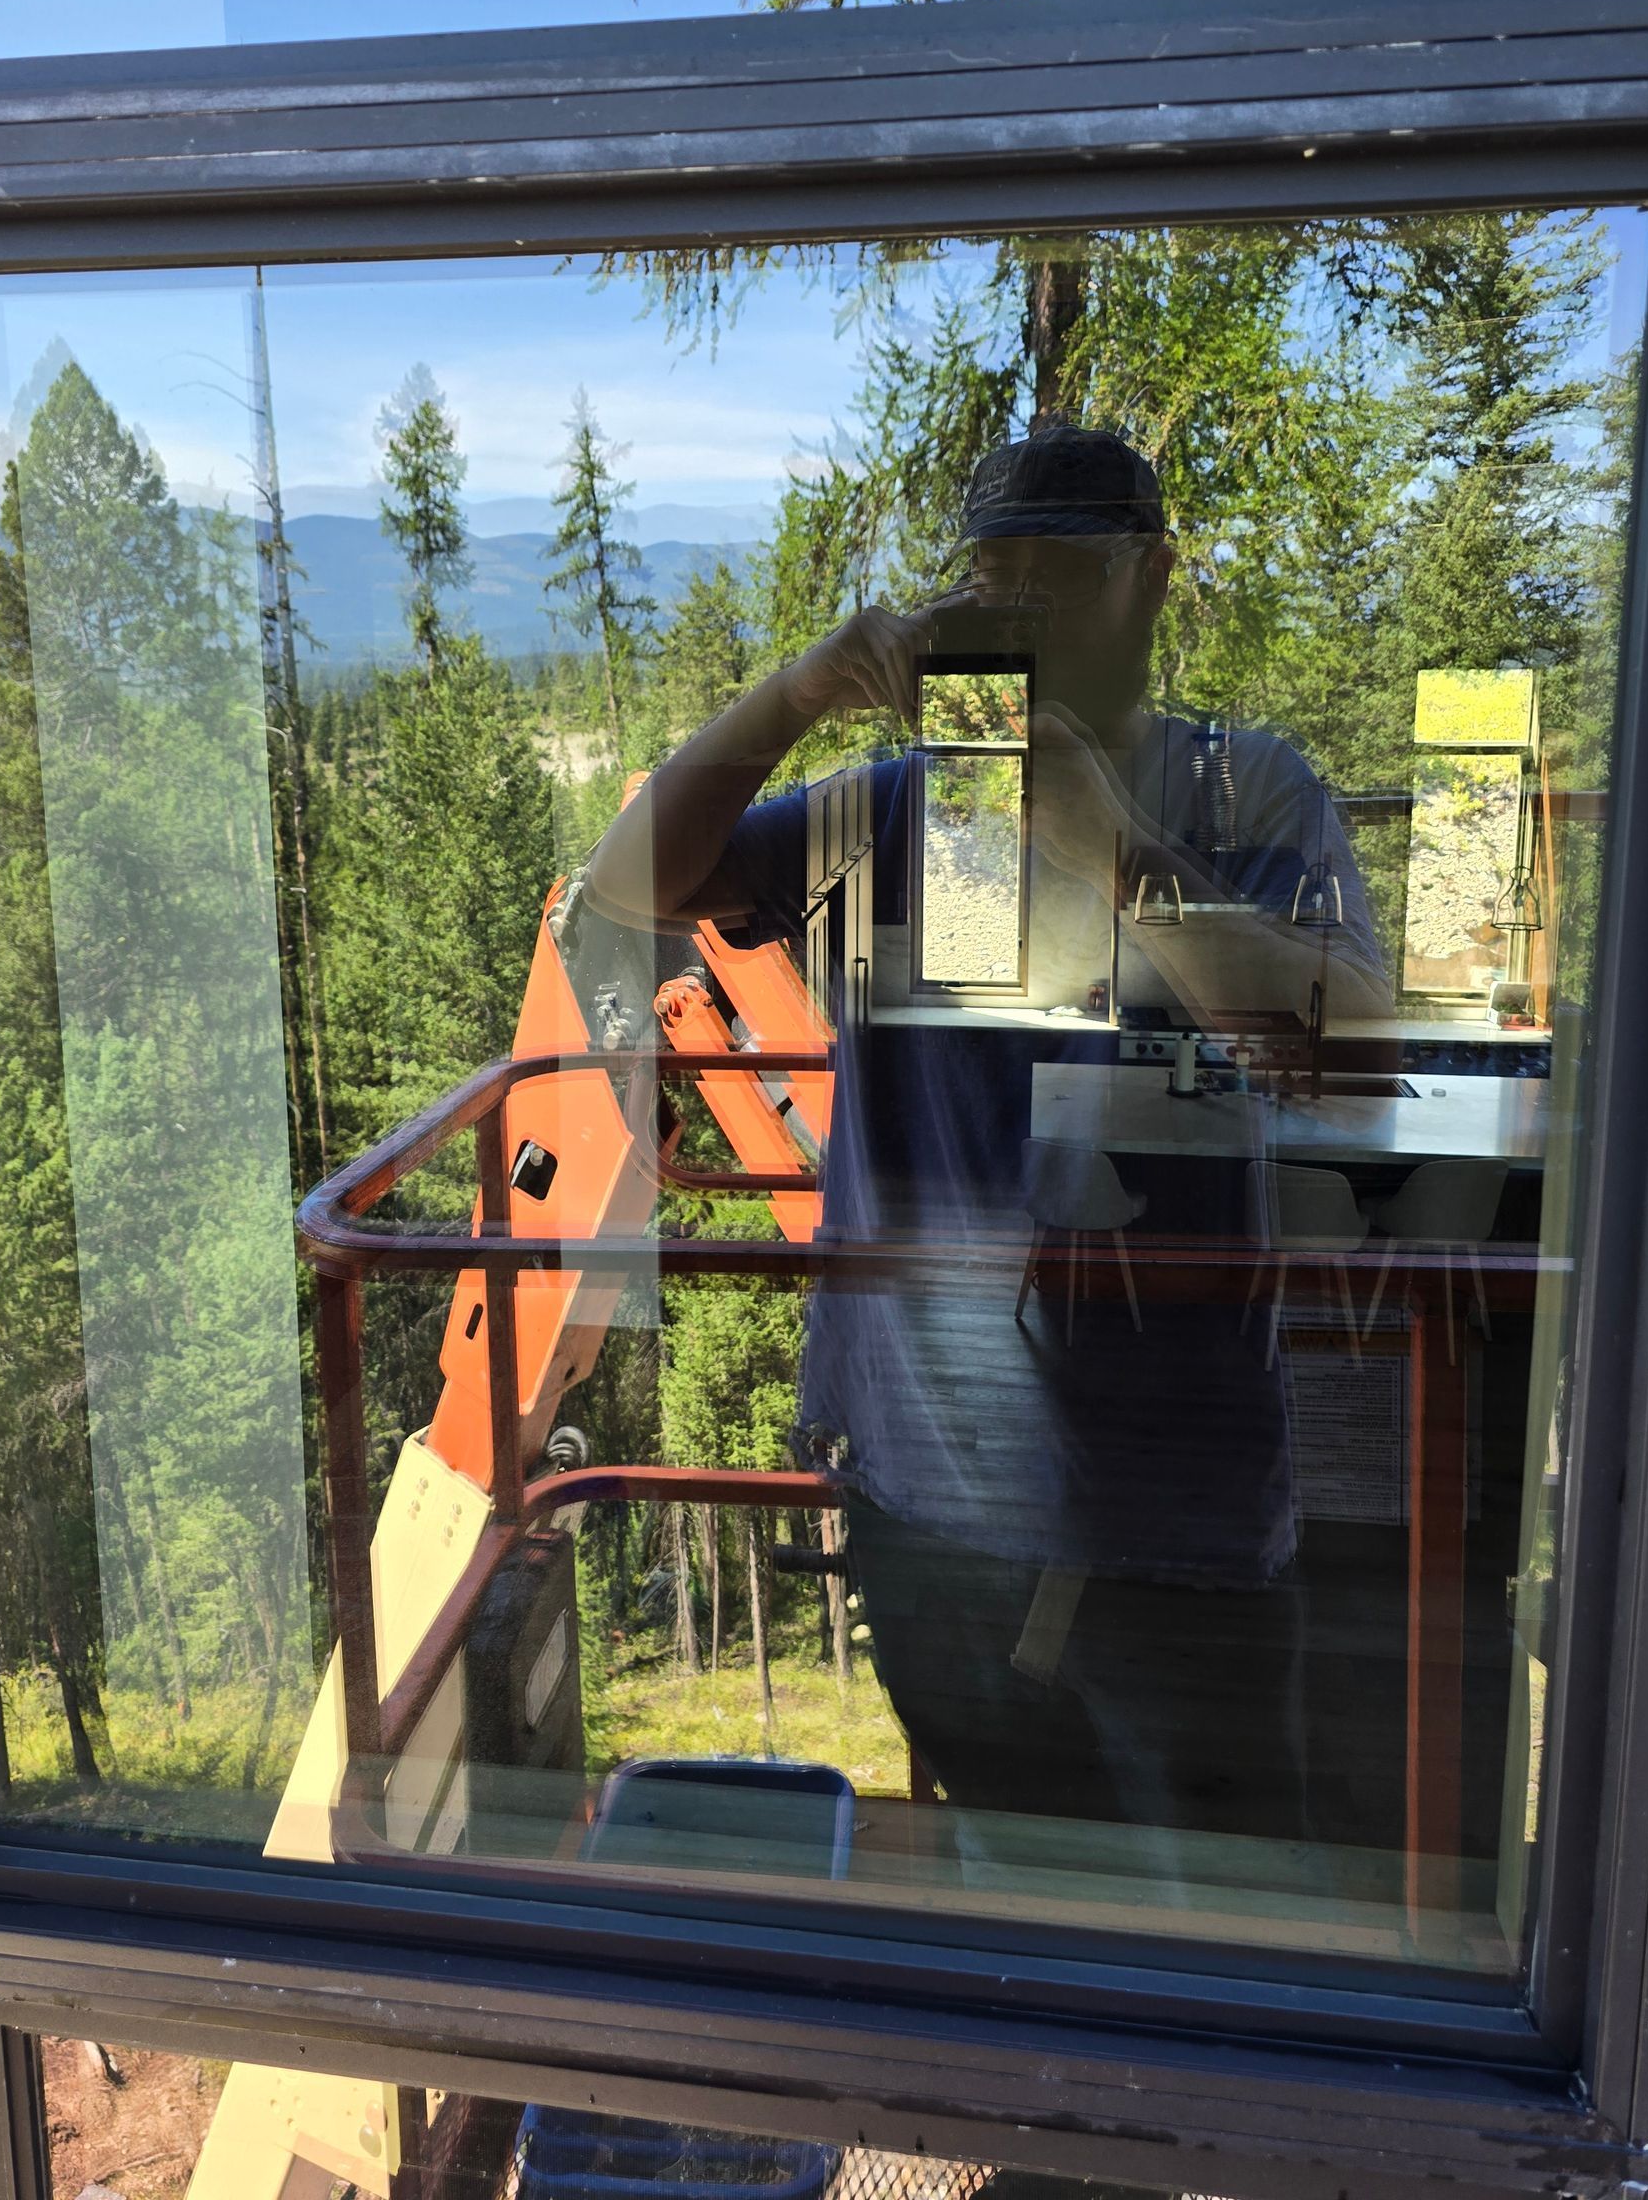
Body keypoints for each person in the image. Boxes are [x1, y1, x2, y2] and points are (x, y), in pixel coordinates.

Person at [586, 427, 1391, 1857]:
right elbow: (631, 883)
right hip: (929, 1517)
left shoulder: (1251, 796)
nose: (1012, 626)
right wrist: (809, 682)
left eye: (1055, 584)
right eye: (986, 590)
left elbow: (1361, 1059)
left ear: (1151, 582)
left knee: (1219, 1928)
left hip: (1181, 1526)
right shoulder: (907, 812)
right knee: (1014, 1900)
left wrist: (1120, 854)